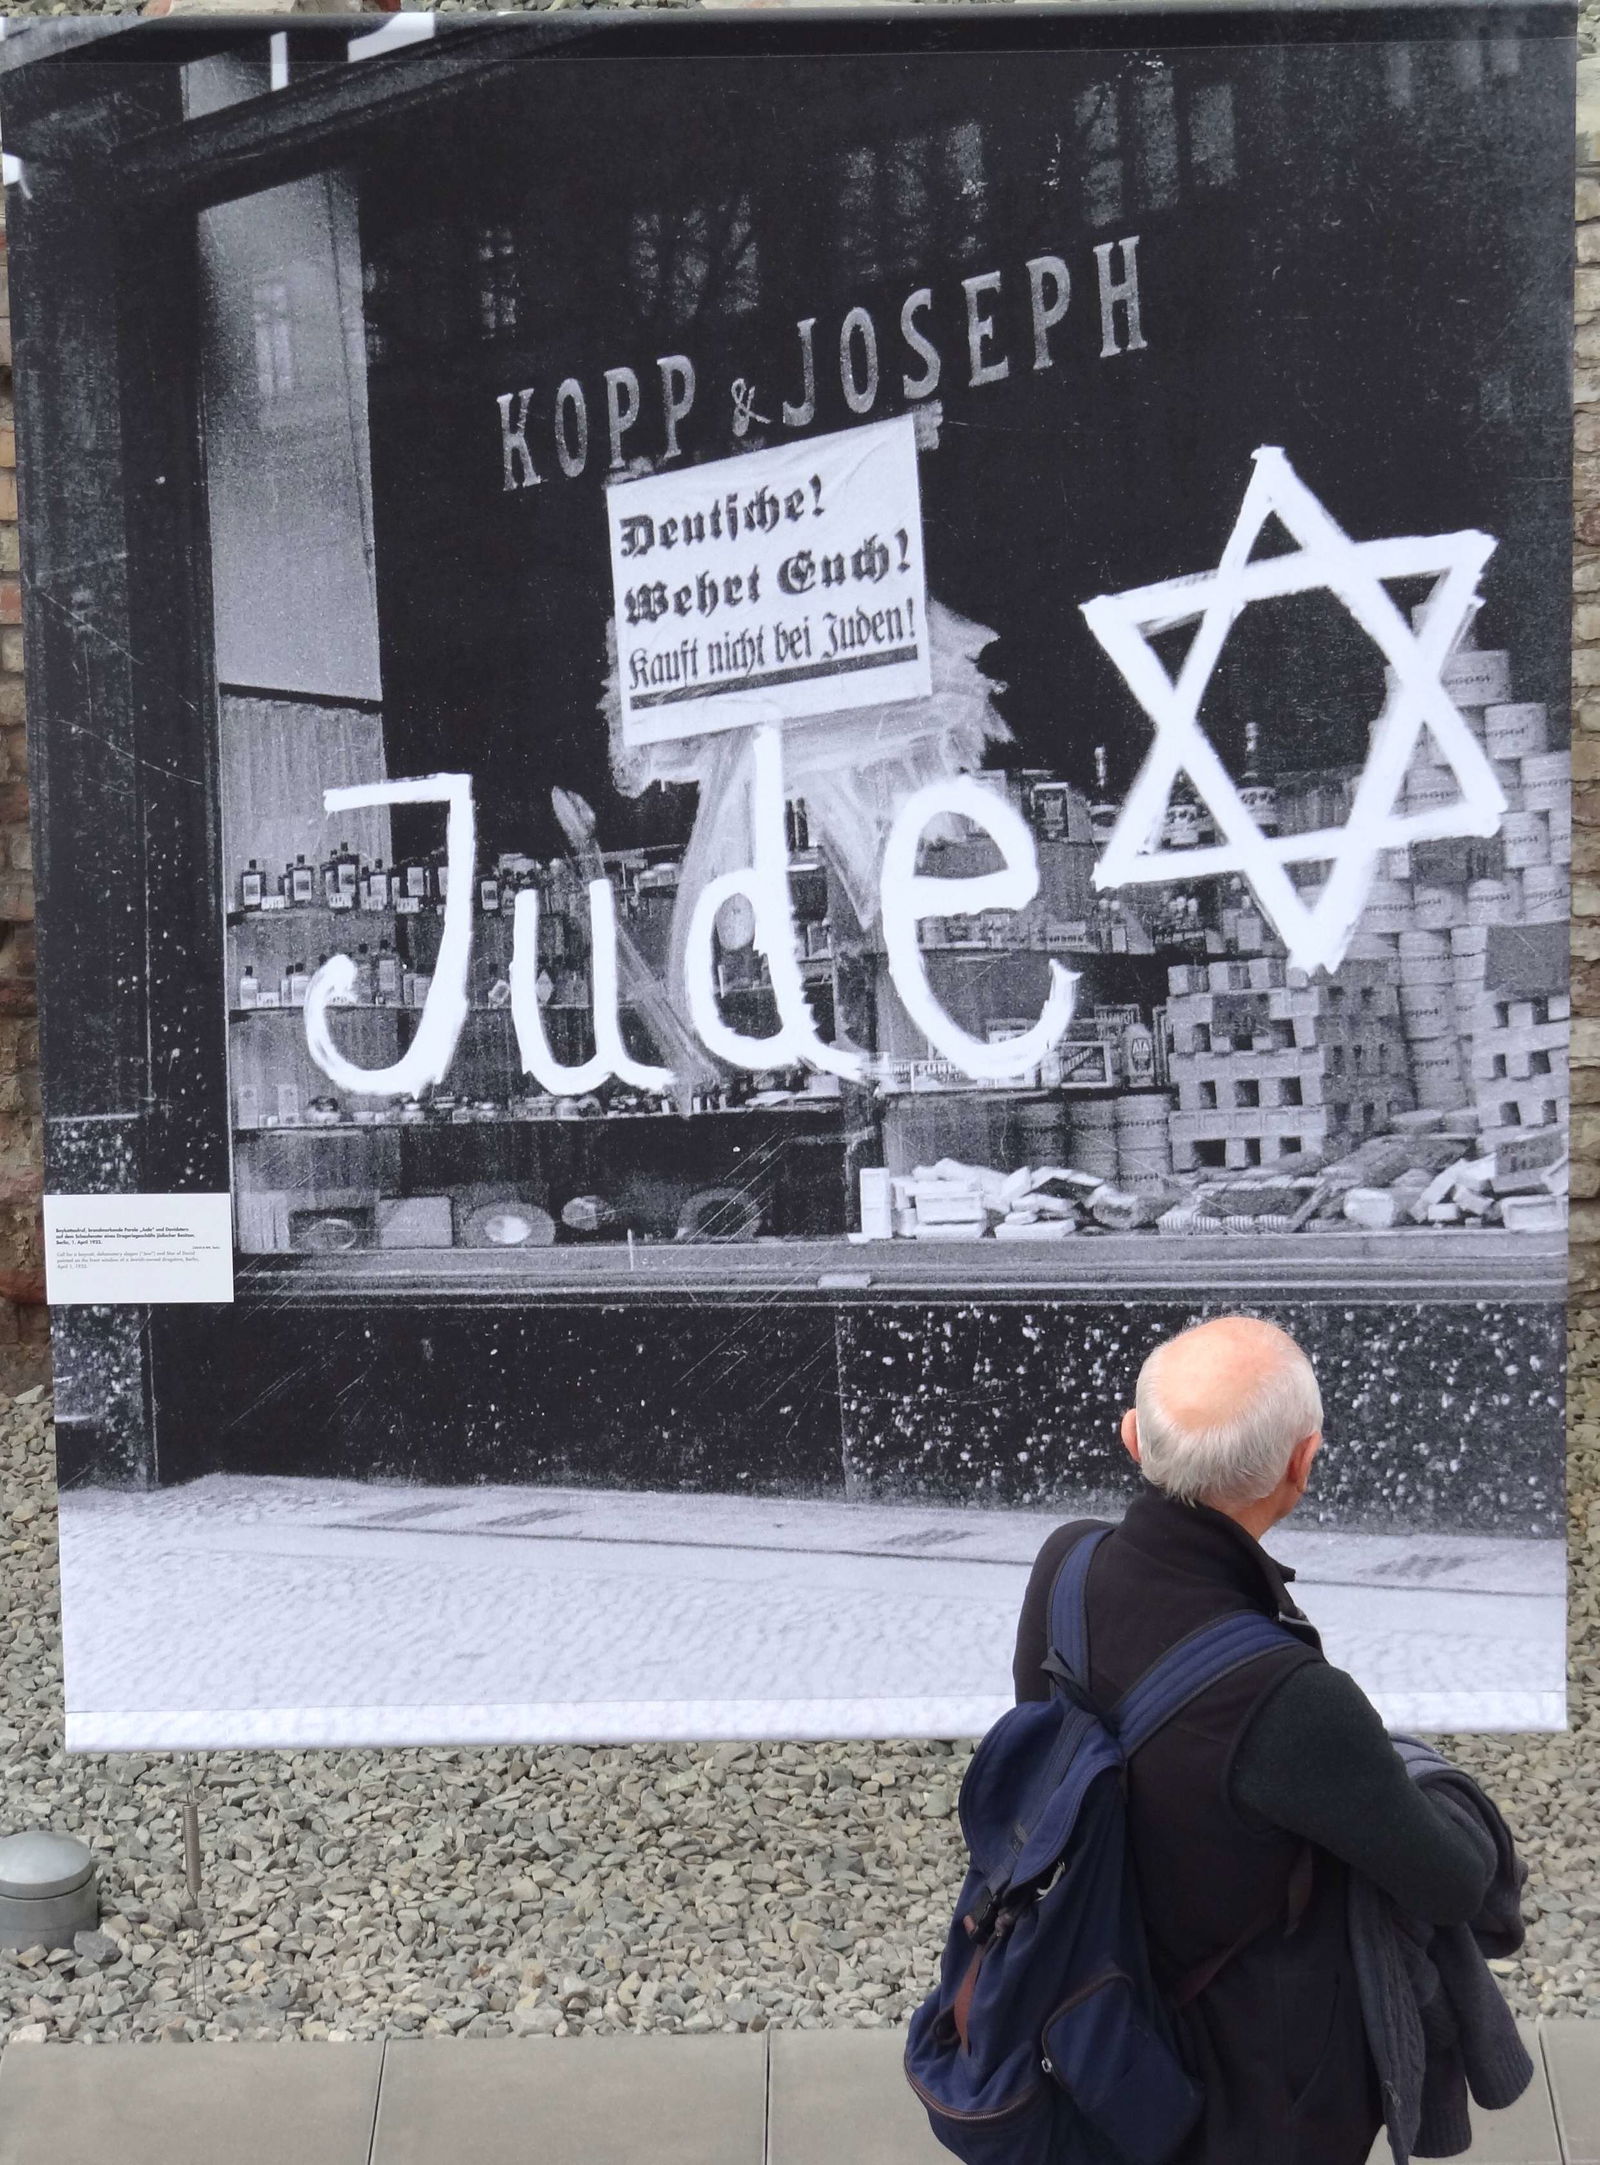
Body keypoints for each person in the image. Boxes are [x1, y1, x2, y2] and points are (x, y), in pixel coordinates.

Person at [1012, 1315, 1497, 2165]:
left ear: (1132, 1437)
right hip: (1258, 2094)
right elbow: (1453, 1881)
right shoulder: (1293, 1702)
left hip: (1093, 2020)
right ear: (1302, 1464)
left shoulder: (1066, 1566)